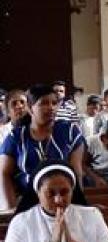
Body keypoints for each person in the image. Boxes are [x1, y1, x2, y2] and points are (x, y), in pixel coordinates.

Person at [2, 161, 108, 242]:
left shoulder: (92, 215)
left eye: (64, 192)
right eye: (50, 193)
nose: (58, 200)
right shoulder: (20, 222)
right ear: (38, 193)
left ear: (72, 190)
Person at [1, 85, 86, 213]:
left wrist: (78, 206)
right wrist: (11, 208)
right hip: (27, 203)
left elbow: (76, 172)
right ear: (30, 108)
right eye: (44, 103)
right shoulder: (17, 137)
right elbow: (4, 173)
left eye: (54, 103)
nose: (51, 107)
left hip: (62, 200)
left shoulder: (70, 132)